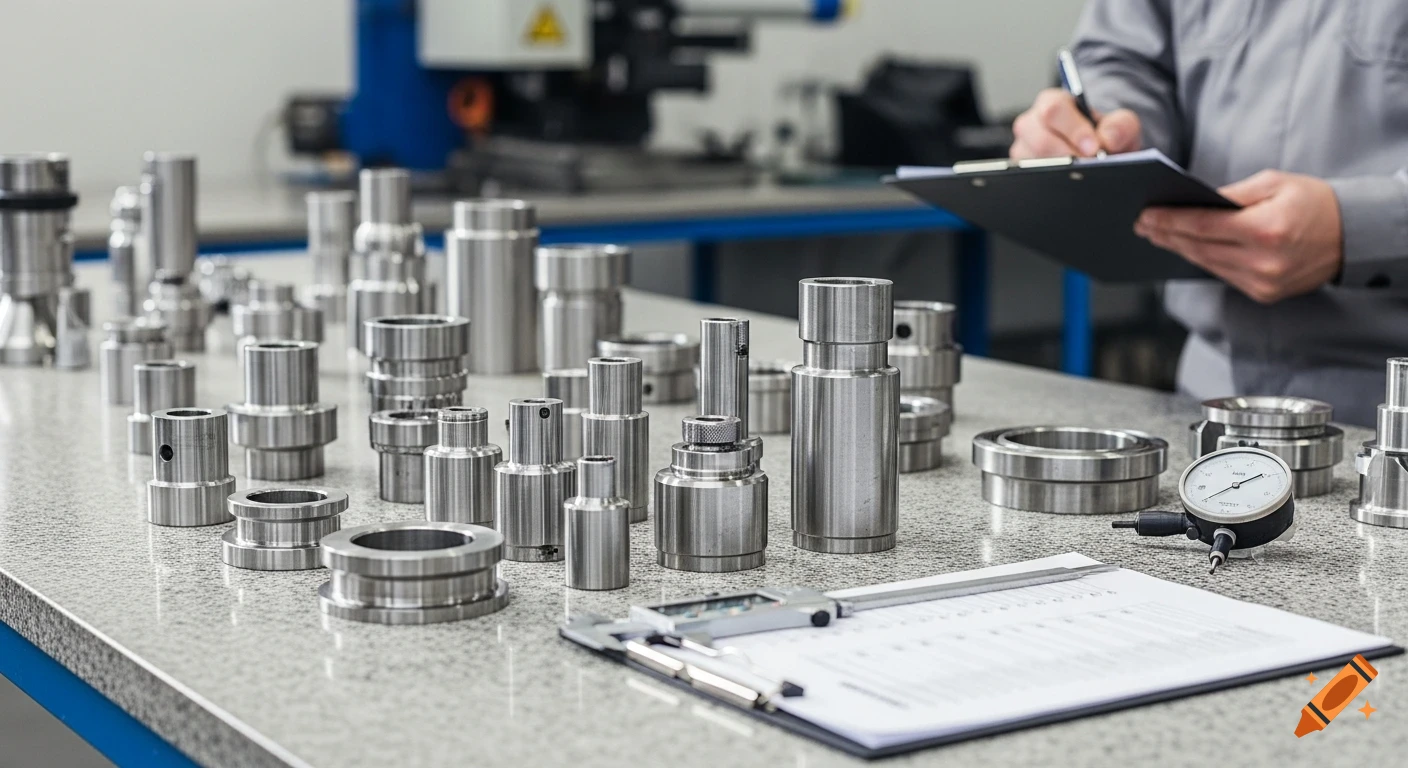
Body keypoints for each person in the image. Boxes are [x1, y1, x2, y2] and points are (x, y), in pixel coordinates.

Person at [1010, 0, 1408, 426]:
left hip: (1388, 408)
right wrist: (1109, 133)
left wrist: (1364, 229)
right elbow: (1124, 60)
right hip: (1209, 401)